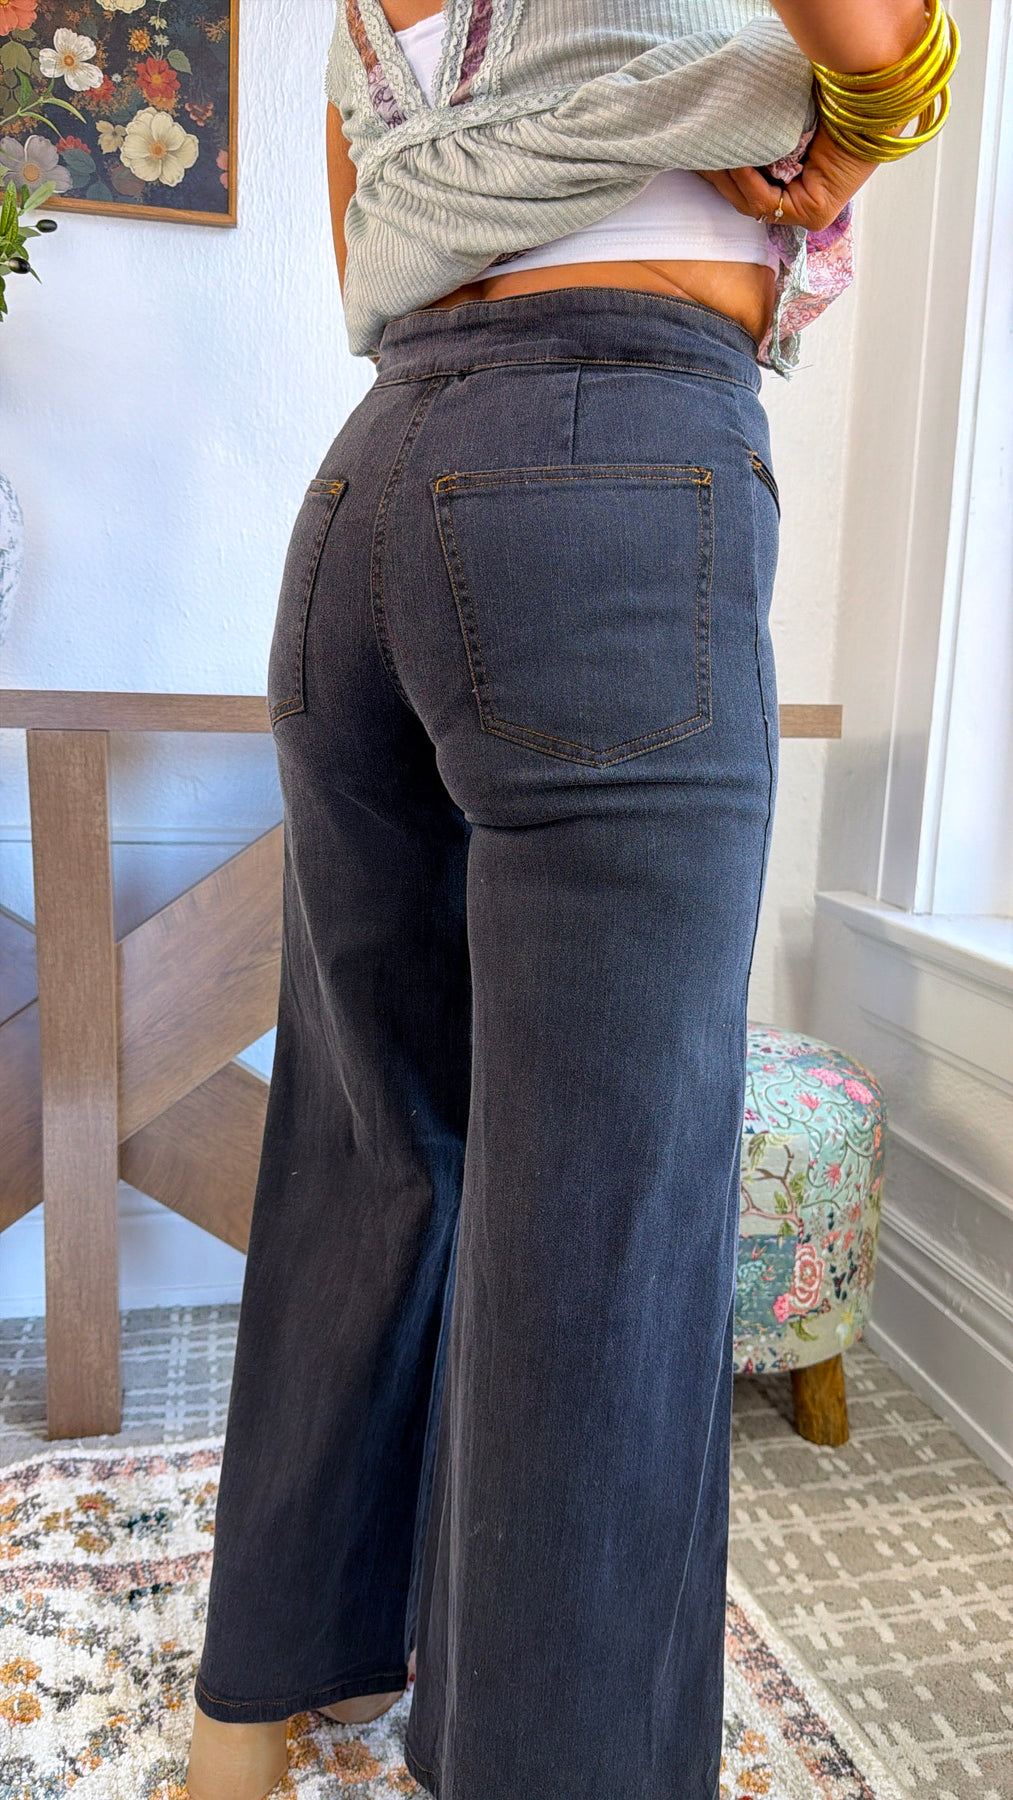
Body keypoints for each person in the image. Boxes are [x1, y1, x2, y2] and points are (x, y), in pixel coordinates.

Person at [186, 5, 958, 1797]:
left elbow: (365, 258)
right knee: (606, 1207)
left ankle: (245, 1724)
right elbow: (872, 31)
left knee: (370, 1145)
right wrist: (865, 121)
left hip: (367, 490)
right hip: (615, 463)